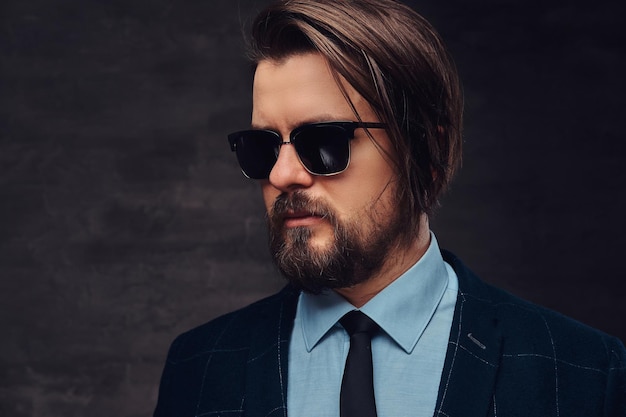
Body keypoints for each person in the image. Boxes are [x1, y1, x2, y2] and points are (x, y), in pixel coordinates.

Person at [153, 0, 626, 416]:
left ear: (425, 153)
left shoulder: (583, 371)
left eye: (323, 142)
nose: (281, 174)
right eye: (262, 147)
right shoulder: (200, 367)